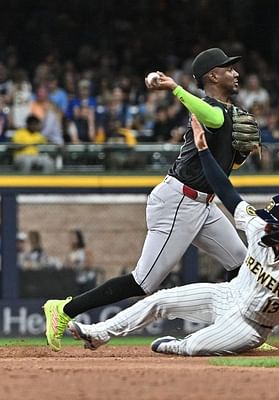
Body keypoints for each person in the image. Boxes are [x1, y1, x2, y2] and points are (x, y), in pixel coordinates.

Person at [42, 47, 262, 352]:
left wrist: (238, 156)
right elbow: (210, 116)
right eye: (229, 69)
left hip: (204, 204)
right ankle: (63, 310)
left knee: (242, 264)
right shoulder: (210, 110)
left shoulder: (229, 114)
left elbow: (226, 163)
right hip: (179, 202)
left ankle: (235, 332)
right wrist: (173, 87)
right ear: (213, 75)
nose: (236, 73)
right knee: (143, 282)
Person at [66, 114, 279, 356]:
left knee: (196, 345)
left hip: (251, 325)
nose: (265, 226)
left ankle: (178, 345)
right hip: (225, 295)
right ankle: (99, 333)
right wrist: (204, 150)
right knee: (159, 299)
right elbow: (225, 189)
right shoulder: (257, 227)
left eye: (272, 224)